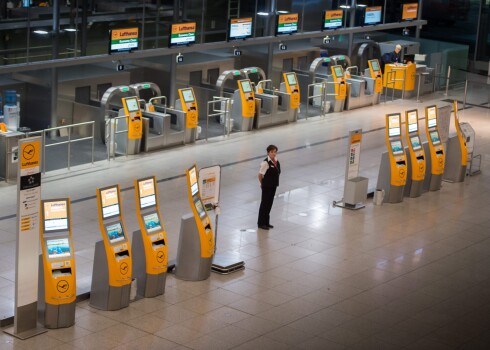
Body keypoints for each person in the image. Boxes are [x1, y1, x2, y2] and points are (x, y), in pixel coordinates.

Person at [257, 145, 280, 230]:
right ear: (268, 152)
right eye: (272, 152)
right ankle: (261, 223)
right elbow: (260, 175)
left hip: (273, 186)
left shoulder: (276, 161)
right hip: (266, 187)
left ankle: (266, 222)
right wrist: (262, 184)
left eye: (275, 152)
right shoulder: (265, 163)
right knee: (264, 204)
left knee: (269, 204)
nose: (274, 153)